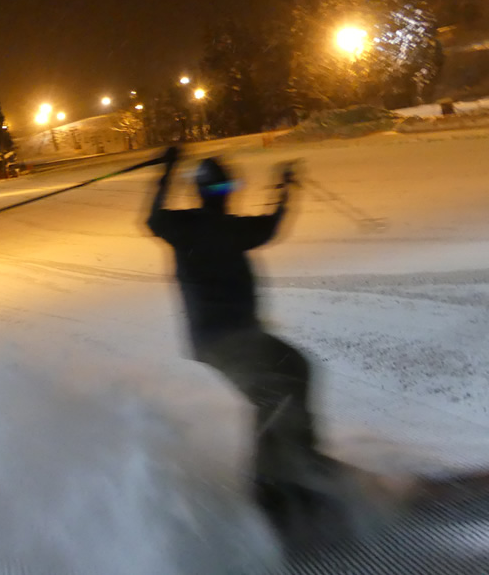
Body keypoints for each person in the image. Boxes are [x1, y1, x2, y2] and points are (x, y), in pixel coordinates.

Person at [146, 146, 367, 552]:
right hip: (220, 339)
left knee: (296, 367)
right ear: (205, 191)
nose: (227, 193)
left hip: (245, 335)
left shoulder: (226, 227)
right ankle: (268, 489)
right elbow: (154, 219)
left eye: (231, 185)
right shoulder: (188, 226)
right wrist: (169, 172)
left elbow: (269, 227)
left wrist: (283, 190)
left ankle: (302, 458)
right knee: (272, 395)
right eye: (222, 186)